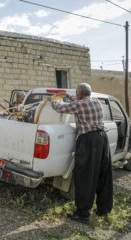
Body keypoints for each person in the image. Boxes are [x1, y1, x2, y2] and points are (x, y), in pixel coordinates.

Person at [47, 83, 113, 224]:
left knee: (85, 177)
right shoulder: (95, 101)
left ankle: (83, 214)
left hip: (88, 140)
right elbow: (78, 102)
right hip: (102, 139)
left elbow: (60, 108)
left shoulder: (81, 104)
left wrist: (52, 101)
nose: (76, 95)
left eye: (76, 93)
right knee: (103, 175)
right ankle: (104, 209)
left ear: (80, 93)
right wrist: (67, 96)